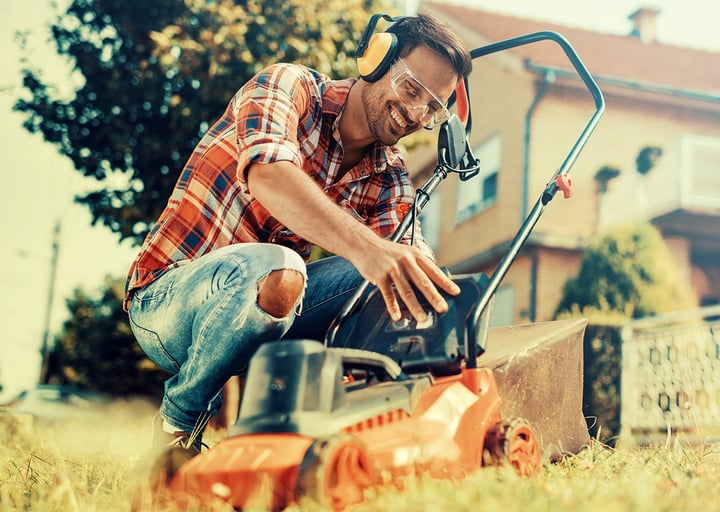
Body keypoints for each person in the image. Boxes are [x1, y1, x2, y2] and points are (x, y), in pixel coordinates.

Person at [123, 13, 473, 451]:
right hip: (167, 302)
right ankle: (176, 429)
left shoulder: (390, 174)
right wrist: (368, 249)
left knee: (398, 280)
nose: (416, 114)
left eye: (433, 109)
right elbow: (268, 175)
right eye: (411, 89)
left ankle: (337, 427)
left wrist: (460, 336)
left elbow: (410, 268)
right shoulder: (290, 87)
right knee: (283, 266)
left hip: (267, 315)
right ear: (376, 59)